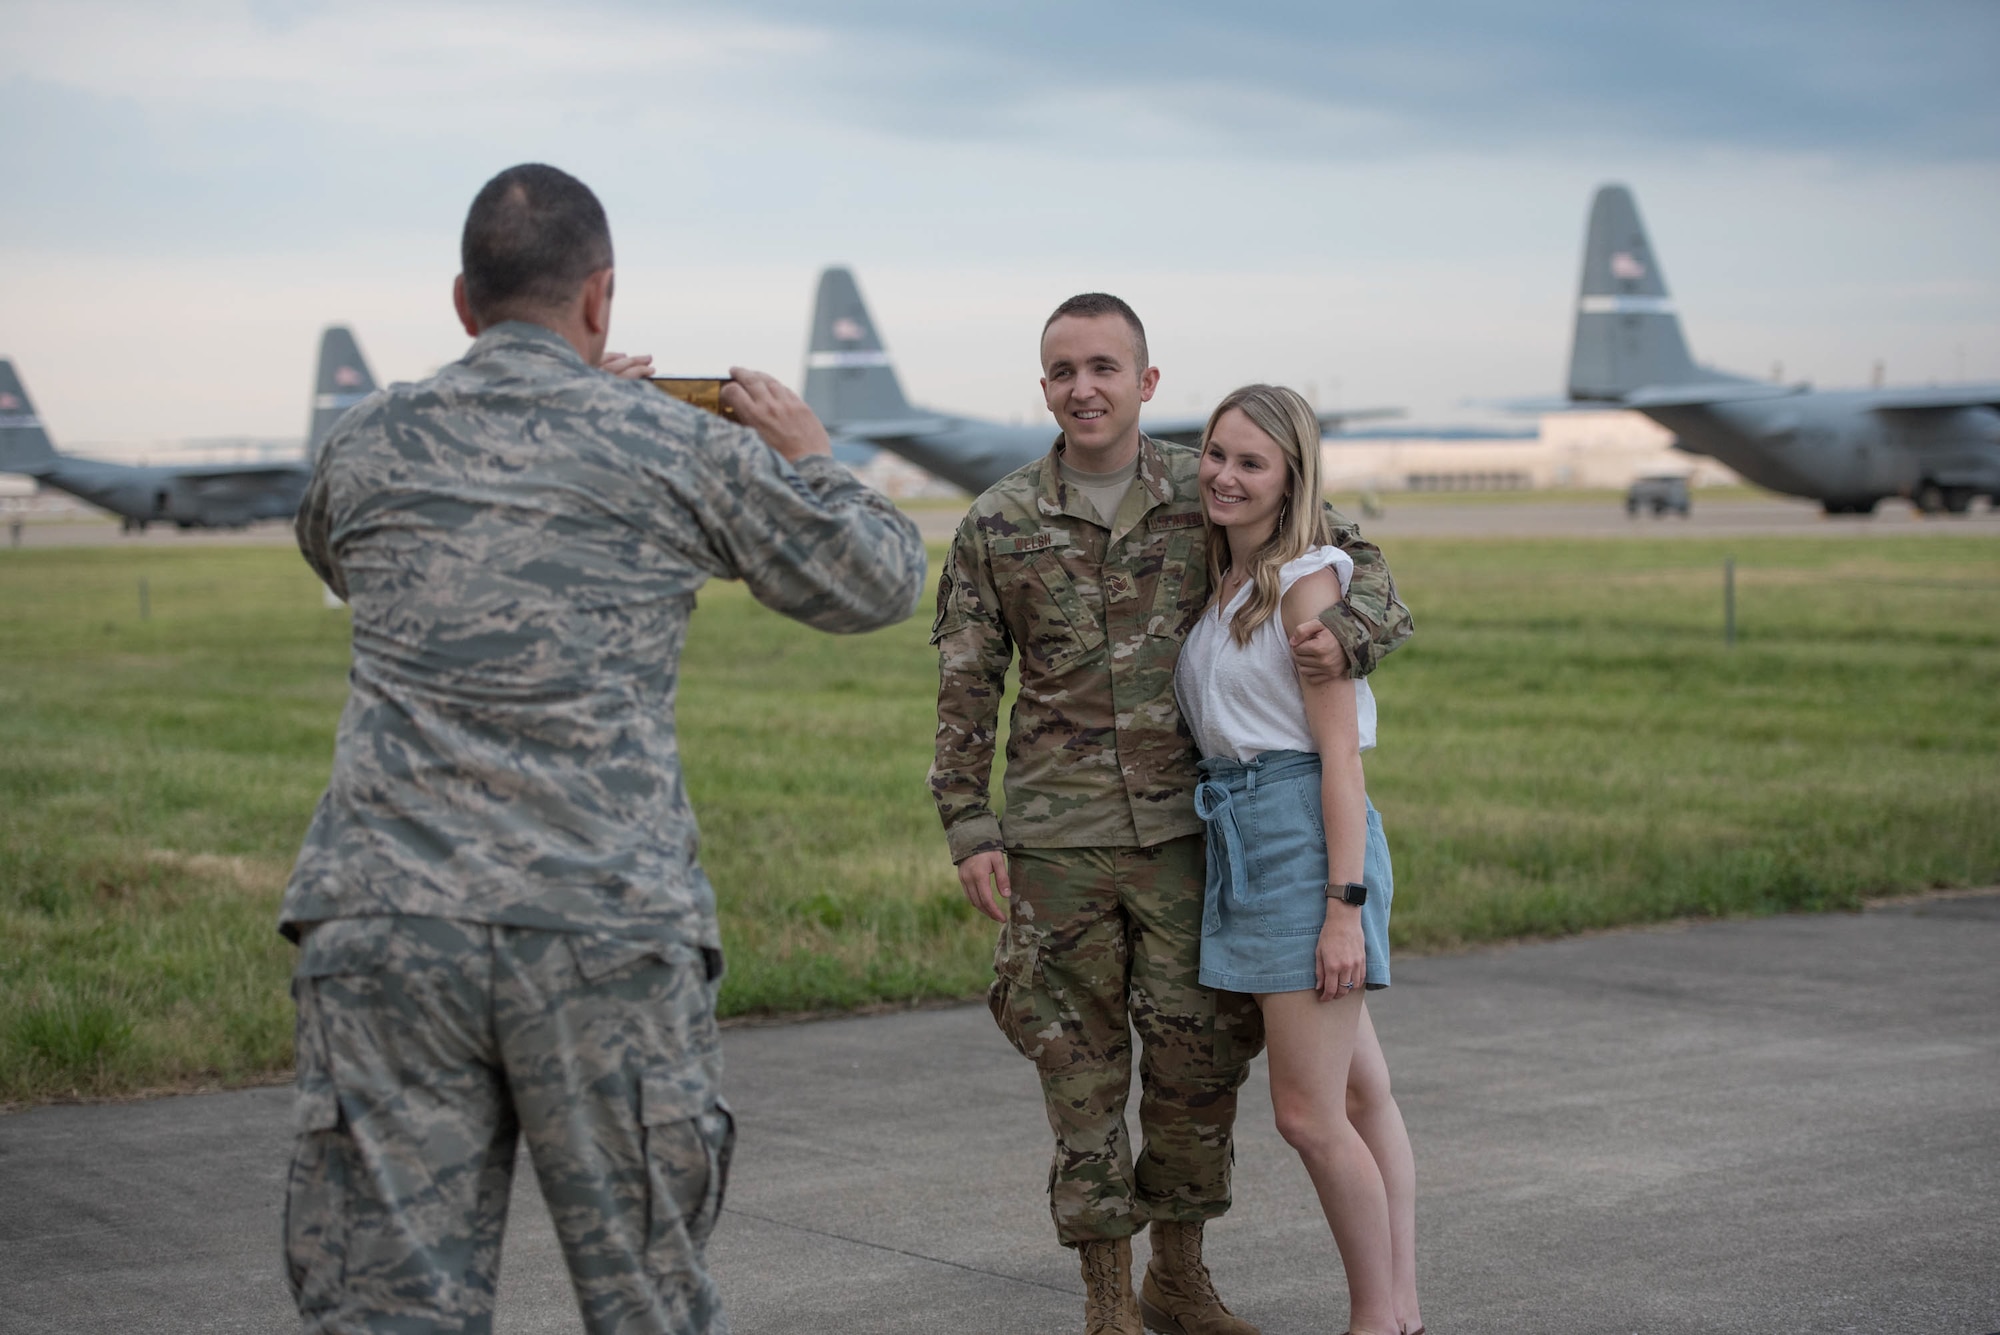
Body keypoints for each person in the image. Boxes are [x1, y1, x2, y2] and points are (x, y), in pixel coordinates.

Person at [278, 162, 926, 1335]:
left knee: (384, 1309)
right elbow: (876, 580)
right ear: (602, 297)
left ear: (464, 304)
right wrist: (810, 458)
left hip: (385, 926)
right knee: (645, 1301)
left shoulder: (365, 440)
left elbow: (339, 558)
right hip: (600, 929)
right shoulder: (672, 444)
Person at [930, 295, 1413, 1335]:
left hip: (1193, 844)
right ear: (1044, 385)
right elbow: (967, 686)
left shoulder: (1208, 488)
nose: (1082, 386)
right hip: (1057, 846)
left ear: (1145, 383)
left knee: (1198, 1068)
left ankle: (1179, 1279)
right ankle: (1107, 1299)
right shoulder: (999, 520)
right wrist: (969, 826)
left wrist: (1348, 633)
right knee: (1078, 1069)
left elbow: (1354, 564)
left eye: (1104, 366)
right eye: (1061, 369)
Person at [1174, 384, 1422, 1335]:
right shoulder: (1227, 580)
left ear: (1291, 480)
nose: (1225, 476)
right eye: (1217, 454)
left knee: (1308, 1115)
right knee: (1363, 1093)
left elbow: (1339, 756)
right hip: (1246, 828)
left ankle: (1371, 1319)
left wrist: (1342, 906)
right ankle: (1400, 1312)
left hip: (1302, 839)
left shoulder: (1309, 581)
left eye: (1252, 462)